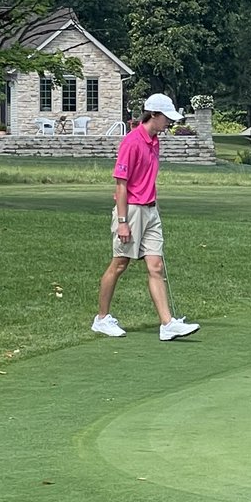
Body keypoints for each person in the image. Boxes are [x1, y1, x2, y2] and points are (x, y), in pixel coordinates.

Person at [91, 93, 201, 342]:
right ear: (153, 115)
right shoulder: (132, 142)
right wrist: (122, 222)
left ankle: (167, 324)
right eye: (166, 118)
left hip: (150, 210)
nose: (168, 123)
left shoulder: (155, 141)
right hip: (130, 210)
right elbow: (121, 184)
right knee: (120, 264)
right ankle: (101, 319)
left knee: (156, 266)